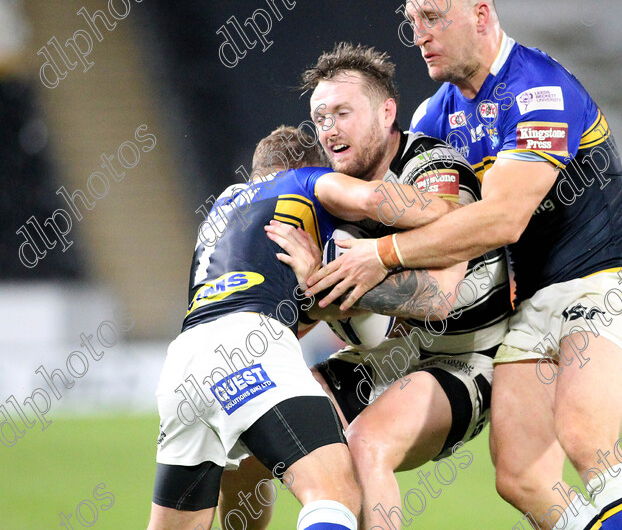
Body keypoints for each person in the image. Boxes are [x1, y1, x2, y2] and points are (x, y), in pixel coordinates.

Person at [306, 0, 622, 530]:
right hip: (527, 312)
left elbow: (502, 220)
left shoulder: (538, 90)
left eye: (431, 17)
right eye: (411, 22)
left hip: (607, 285)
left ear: (480, 16)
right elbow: (432, 238)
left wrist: (379, 258)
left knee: (584, 436)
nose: (418, 34)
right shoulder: (436, 117)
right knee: (520, 477)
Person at [219, 43, 512, 530]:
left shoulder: (430, 168)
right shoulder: (324, 199)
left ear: (386, 112)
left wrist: (325, 281)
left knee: (366, 442)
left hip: (463, 359)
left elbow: (437, 297)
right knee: (252, 439)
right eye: (320, 117)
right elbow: (294, 320)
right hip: (384, 362)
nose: (329, 128)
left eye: (342, 112)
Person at [148, 124, 456, 530]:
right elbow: (374, 198)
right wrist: (453, 215)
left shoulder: (221, 208)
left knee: (229, 483)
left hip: (183, 366)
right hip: (250, 342)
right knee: (334, 493)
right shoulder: (305, 180)